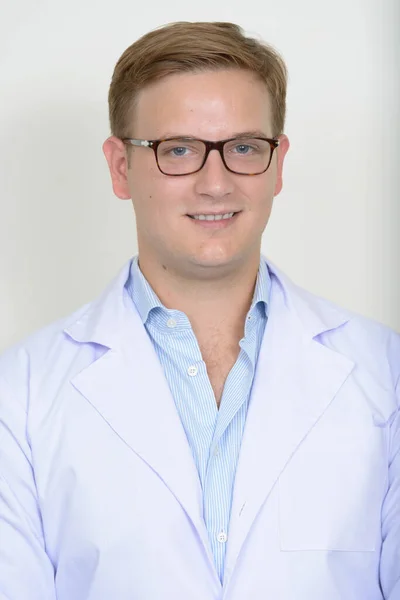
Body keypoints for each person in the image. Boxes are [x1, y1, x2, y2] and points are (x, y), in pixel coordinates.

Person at [0, 20, 399, 600]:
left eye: (243, 148)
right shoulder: (21, 393)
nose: (216, 184)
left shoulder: (383, 371)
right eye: (178, 150)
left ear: (278, 162)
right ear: (120, 168)